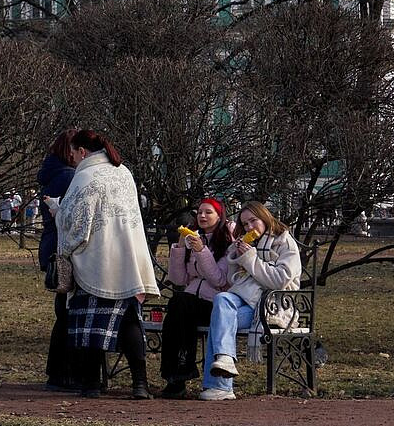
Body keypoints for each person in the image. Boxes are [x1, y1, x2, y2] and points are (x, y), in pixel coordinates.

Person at [55, 128, 158, 400]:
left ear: (83, 152)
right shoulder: (123, 172)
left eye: (73, 153)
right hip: (129, 259)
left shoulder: (86, 177)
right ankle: (140, 383)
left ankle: (91, 384)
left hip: (97, 260)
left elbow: (76, 224)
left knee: (90, 324)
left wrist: (57, 216)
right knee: (129, 321)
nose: (73, 159)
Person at [200, 201, 303, 401]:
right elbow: (232, 280)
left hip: (272, 306)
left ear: (264, 217)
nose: (249, 228)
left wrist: (249, 259)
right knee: (221, 299)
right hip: (243, 299)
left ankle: (220, 386)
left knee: (219, 321)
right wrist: (234, 257)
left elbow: (279, 280)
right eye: (245, 224)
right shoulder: (246, 242)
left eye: (253, 221)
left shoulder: (283, 242)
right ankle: (226, 360)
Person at [159, 198, 234, 397]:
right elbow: (178, 278)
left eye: (208, 212)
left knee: (179, 304)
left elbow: (219, 279)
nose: (202, 216)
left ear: (219, 217)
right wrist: (180, 247)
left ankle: (179, 375)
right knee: (177, 308)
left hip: (216, 305)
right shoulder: (194, 237)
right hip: (189, 305)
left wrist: (201, 251)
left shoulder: (229, 241)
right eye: (199, 212)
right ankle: (177, 375)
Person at [36, 130, 80, 391]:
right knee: (67, 312)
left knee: (62, 310)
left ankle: (57, 372)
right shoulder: (69, 177)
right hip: (62, 248)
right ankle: (63, 373)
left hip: (52, 246)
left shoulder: (54, 174)